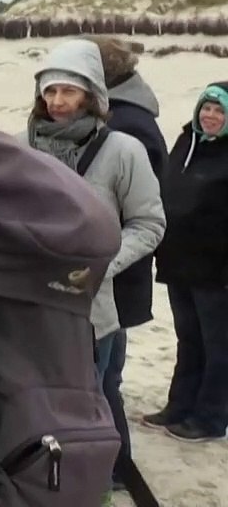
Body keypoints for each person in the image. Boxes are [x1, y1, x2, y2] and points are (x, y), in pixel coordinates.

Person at [23, 39, 166, 390]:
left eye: (68, 91)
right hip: (27, 305)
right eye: (50, 91)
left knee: (92, 400)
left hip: (93, 313)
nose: (57, 101)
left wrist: (99, 266)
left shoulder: (123, 150)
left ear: (91, 94)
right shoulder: (18, 148)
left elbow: (149, 223)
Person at [83, 35, 168, 486]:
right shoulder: (127, 113)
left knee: (104, 381)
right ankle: (114, 466)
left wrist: (102, 259)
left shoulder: (128, 126)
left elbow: (142, 210)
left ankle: (115, 468)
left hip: (116, 275)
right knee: (105, 379)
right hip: (113, 275)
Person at [144, 82, 228, 443]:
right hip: (179, 262)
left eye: (220, 110)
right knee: (189, 340)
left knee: (218, 348)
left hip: (216, 271)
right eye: (206, 108)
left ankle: (210, 418)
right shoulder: (186, 141)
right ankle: (179, 406)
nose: (210, 116)